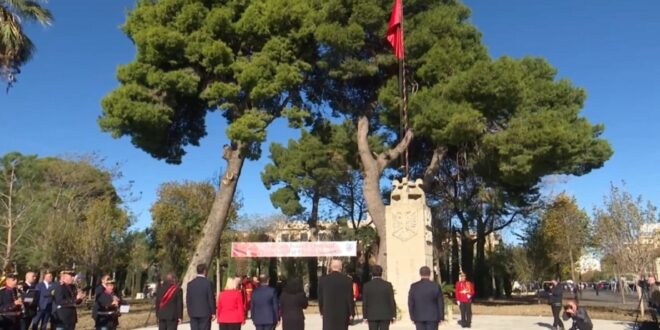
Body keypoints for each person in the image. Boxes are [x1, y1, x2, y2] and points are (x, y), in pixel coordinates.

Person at [318, 259, 354, 330]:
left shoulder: (323, 280)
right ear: (341, 267)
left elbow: (320, 298)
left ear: (331, 267)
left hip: (328, 312)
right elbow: (349, 298)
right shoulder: (347, 280)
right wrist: (351, 312)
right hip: (343, 312)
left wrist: (321, 311)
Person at [408, 266, 444, 330]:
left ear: (420, 274)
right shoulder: (435, 286)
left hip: (419, 316)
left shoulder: (414, 286)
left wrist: (412, 316)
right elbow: (440, 302)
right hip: (433, 317)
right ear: (430, 274)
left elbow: (411, 303)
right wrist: (441, 317)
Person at [362, 265, 396, 330]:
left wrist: (365, 316)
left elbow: (365, 302)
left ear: (372, 273)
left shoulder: (366, 286)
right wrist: (393, 315)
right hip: (385, 314)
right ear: (381, 273)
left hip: (372, 315)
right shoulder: (388, 285)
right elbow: (391, 300)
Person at [186, 264, 216, 330]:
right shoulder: (208, 283)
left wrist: (189, 311)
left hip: (193, 312)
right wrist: (213, 312)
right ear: (205, 271)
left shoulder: (190, 284)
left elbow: (188, 299)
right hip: (205, 312)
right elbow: (210, 298)